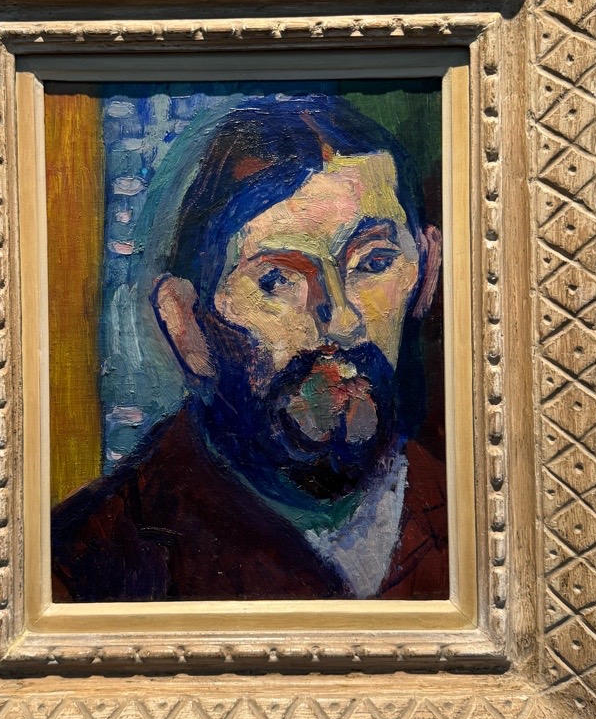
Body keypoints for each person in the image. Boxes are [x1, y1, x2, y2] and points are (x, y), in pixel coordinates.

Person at [51, 96, 447, 601]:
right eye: (276, 280)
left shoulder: (475, 512)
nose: (343, 321)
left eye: (373, 263)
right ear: (186, 325)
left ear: (426, 271)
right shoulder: (84, 565)